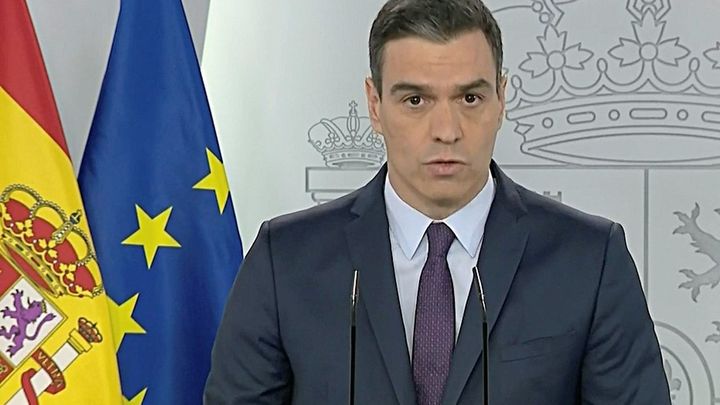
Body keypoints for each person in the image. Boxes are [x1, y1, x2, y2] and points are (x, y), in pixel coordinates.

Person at [204, 0, 671, 404]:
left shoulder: (589, 260)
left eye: (469, 98)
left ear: (501, 98)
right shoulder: (285, 261)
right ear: (374, 104)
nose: (447, 130)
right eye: (416, 100)